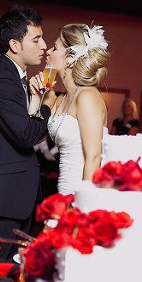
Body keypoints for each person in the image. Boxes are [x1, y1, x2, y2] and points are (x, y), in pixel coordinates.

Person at [0, 5, 50, 262]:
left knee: (12, 276)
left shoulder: (15, 77)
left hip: (13, 197)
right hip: (1, 202)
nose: (44, 45)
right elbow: (26, 135)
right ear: (15, 45)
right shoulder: (1, 80)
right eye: (36, 39)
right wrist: (49, 105)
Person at [35, 23, 111, 195]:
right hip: (62, 191)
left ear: (70, 57)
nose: (48, 51)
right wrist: (39, 97)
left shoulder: (87, 96)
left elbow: (94, 157)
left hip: (81, 192)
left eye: (54, 48)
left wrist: (82, 208)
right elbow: (34, 138)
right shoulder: (61, 98)